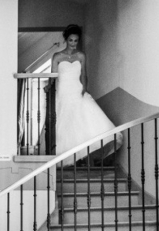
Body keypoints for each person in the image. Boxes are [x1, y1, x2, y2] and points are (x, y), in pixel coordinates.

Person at [50, 24, 121, 163]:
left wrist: (84, 89)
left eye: (76, 41)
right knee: (66, 125)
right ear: (66, 39)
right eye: (71, 40)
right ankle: (67, 158)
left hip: (77, 91)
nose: (73, 44)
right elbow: (52, 77)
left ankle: (85, 159)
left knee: (86, 123)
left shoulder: (81, 55)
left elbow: (84, 75)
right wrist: (50, 89)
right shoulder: (57, 56)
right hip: (63, 92)